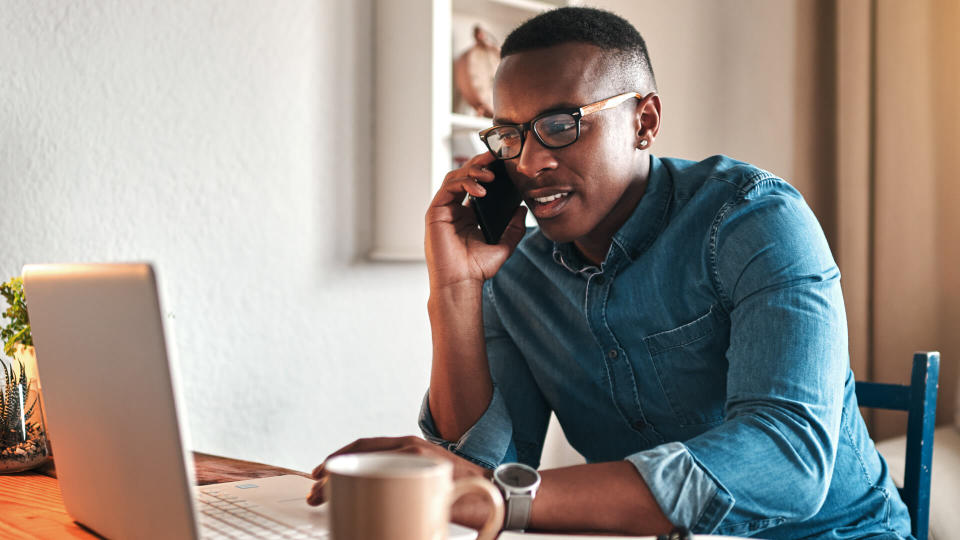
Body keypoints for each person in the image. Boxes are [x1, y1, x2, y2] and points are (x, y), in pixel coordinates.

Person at [309, 7, 913, 538]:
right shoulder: (516, 263)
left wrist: (499, 497)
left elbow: (786, 462)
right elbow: (483, 468)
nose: (532, 161)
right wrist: (456, 290)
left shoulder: (754, 219)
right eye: (511, 135)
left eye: (561, 124)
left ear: (644, 122)